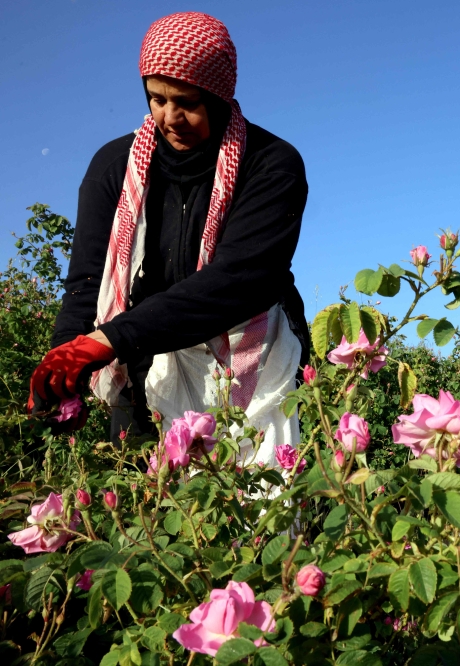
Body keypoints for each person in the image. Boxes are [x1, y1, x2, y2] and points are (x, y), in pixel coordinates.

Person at [28, 12, 310, 465]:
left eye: (187, 102)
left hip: (251, 359)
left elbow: (241, 280)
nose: (170, 117)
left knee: (259, 512)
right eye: (157, 99)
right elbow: (88, 278)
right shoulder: (115, 166)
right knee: (159, 516)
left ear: (219, 98)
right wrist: (68, 362)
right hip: (142, 366)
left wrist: (106, 341)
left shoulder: (270, 164)